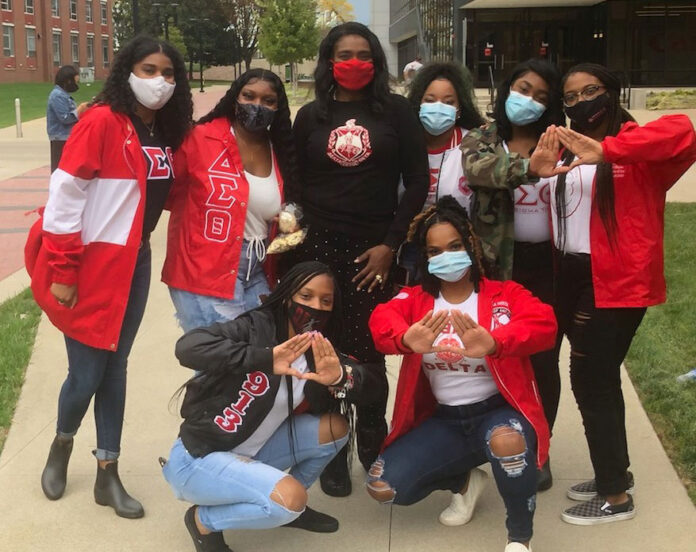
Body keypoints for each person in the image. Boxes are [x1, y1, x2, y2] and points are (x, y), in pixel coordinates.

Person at [25, 35, 193, 518]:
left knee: (115, 366)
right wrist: (63, 269)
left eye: (167, 72)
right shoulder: (100, 121)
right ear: (126, 72)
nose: (158, 80)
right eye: (148, 68)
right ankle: (61, 445)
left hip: (133, 260)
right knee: (86, 372)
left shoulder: (164, 129)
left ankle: (107, 472)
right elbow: (65, 197)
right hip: (89, 263)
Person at [527, 63, 696, 525]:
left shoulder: (638, 147)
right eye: (571, 96)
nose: (581, 101)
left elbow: (685, 131)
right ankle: (613, 473)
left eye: (591, 91)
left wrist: (609, 149)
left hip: (615, 281)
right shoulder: (566, 147)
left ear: (611, 92)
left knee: (591, 379)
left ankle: (615, 496)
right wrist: (538, 171)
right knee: (595, 377)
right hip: (572, 276)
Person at [367, 196, 556, 552]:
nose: (446, 257)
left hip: (498, 412)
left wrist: (496, 342)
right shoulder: (415, 301)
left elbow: (544, 323)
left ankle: (519, 538)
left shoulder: (504, 294)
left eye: (454, 246)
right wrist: (407, 338)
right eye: (435, 251)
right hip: (446, 420)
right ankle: (465, 481)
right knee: (383, 486)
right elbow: (380, 321)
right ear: (424, 257)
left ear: (470, 245)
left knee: (506, 442)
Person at [288, 21, 430, 496]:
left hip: (375, 251)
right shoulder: (310, 115)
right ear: (329, 61)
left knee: (367, 349)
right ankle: (330, 449)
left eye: (363, 55)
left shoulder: (397, 112)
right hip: (318, 250)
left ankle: (372, 443)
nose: (354, 63)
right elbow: (296, 181)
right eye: (344, 54)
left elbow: (417, 181)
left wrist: (391, 243)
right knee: (320, 349)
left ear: (376, 62)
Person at [162, 261, 384, 552]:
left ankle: (286, 506)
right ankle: (203, 520)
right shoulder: (256, 328)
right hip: (198, 460)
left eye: (325, 301)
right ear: (287, 294)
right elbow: (189, 347)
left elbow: (373, 386)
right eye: (306, 296)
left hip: (253, 453)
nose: (315, 306)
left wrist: (342, 377)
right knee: (289, 500)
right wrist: (263, 358)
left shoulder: (316, 348)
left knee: (335, 428)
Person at [460, 58, 565, 491]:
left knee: (543, 359)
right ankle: (500, 442)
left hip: (549, 265)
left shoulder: (560, 140)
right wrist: (528, 168)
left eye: (542, 96)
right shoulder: (483, 138)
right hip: (496, 266)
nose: (530, 101)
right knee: (497, 356)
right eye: (524, 89)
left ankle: (539, 448)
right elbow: (476, 170)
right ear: (506, 90)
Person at [163, 68, 297, 332]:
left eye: (268, 101)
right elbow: (168, 193)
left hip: (257, 269)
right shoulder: (201, 138)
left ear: (278, 107)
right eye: (249, 96)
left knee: (256, 358)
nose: (257, 106)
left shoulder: (278, 149)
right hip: (206, 270)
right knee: (220, 365)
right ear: (235, 98)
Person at [398, 61, 484, 284]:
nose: (438, 107)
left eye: (448, 102)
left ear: (459, 108)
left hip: (456, 253)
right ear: (418, 104)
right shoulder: (401, 142)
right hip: (408, 251)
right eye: (430, 100)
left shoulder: (474, 145)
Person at [46, 65, 89, 172]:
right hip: (60, 138)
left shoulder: (63, 95)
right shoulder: (57, 95)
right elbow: (65, 118)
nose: (75, 85)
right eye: (75, 81)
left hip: (67, 137)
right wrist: (80, 109)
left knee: (67, 169)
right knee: (60, 170)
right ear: (68, 81)